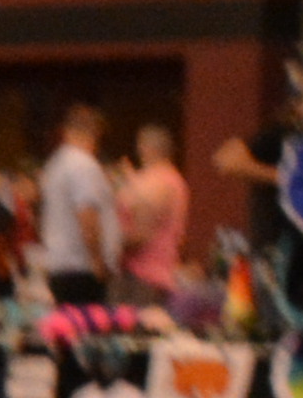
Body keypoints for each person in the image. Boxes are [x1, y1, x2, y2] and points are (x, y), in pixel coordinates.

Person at [33, 102, 116, 304]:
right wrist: (97, 260)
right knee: (87, 321)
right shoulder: (83, 165)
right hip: (82, 267)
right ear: (93, 133)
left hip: (59, 263)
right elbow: (87, 213)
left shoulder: (55, 164)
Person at [113, 124, 191, 308]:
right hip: (149, 273)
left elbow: (141, 234)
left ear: (145, 147)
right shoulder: (164, 179)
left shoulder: (158, 181)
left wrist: (106, 243)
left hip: (142, 276)